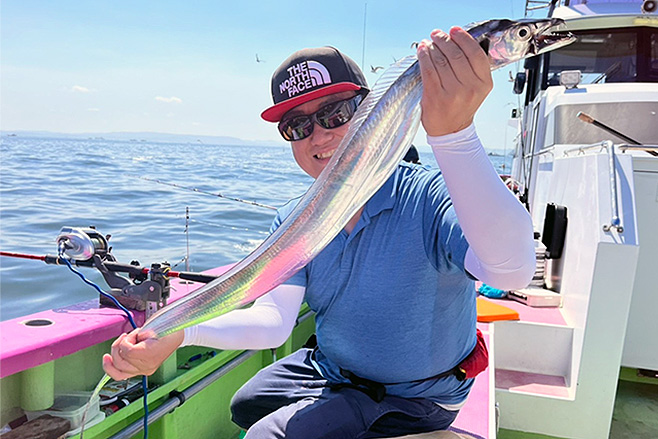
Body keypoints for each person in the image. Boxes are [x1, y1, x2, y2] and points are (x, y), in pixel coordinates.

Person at [103, 26, 535, 439]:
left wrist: (454, 134)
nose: (320, 136)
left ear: (371, 112)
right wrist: (179, 333)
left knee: (264, 435)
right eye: (298, 126)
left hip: (416, 396)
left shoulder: (429, 194)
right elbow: (274, 323)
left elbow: (511, 273)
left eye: (334, 114)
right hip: (334, 372)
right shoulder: (296, 219)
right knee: (246, 403)